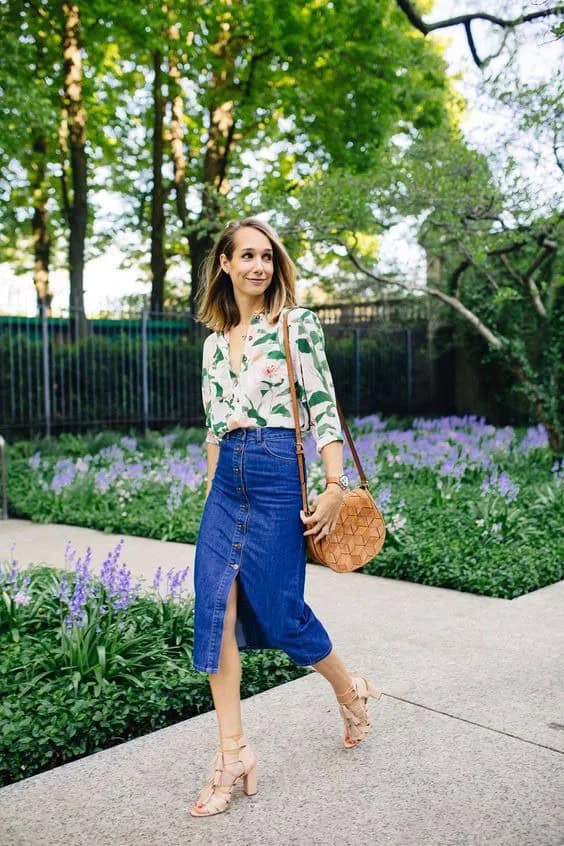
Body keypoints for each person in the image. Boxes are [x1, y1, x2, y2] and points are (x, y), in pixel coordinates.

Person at [191, 217, 382, 817]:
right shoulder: (213, 344)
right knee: (213, 604)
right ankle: (233, 752)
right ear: (224, 263)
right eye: (246, 256)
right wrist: (210, 496)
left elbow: (323, 405)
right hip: (227, 482)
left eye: (267, 257)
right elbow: (213, 431)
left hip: (278, 474)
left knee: (281, 616)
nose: (258, 267)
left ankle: (349, 689)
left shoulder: (296, 325)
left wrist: (333, 485)